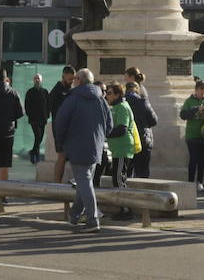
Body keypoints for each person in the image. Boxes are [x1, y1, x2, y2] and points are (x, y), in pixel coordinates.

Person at [52, 68, 113, 233]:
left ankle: (92, 220)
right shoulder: (101, 99)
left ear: (78, 80)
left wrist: (61, 141)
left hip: (77, 145)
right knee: (84, 181)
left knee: (84, 182)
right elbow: (109, 125)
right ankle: (74, 215)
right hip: (96, 146)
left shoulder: (73, 99)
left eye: (75, 80)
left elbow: (60, 121)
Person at [105, 82, 140, 219]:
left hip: (123, 148)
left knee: (119, 179)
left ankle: (126, 210)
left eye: (110, 93)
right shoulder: (115, 107)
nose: (107, 95)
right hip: (117, 149)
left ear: (118, 94)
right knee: (117, 178)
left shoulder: (122, 107)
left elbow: (122, 129)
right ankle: (123, 208)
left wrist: (106, 133)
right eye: (107, 92)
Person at [180, 79, 204, 190]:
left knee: (201, 160)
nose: (203, 92)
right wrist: (195, 110)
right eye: (200, 89)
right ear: (196, 89)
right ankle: (190, 182)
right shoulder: (189, 101)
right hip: (192, 134)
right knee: (193, 158)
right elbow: (183, 115)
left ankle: (200, 182)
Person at [124, 79, 158, 179]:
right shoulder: (142, 102)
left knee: (126, 172)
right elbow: (154, 120)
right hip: (143, 139)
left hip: (126, 140)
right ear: (137, 90)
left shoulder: (121, 102)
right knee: (142, 172)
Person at [48, 66, 75, 179]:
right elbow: (55, 111)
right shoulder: (56, 91)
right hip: (60, 128)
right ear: (63, 76)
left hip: (69, 127)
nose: (71, 82)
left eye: (73, 79)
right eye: (69, 79)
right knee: (62, 157)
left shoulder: (71, 90)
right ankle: (56, 184)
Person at [24, 73, 50, 165]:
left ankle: (34, 152)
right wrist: (29, 114)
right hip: (34, 118)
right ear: (33, 80)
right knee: (37, 136)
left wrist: (47, 115)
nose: (37, 80)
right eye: (35, 78)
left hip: (43, 118)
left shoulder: (45, 91)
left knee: (40, 137)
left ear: (41, 80)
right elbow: (26, 104)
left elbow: (48, 104)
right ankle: (36, 155)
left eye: (38, 78)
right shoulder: (30, 92)